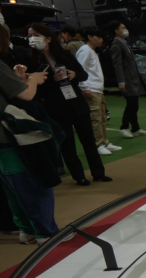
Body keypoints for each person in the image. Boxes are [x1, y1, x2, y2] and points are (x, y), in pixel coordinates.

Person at [28, 23, 109, 184]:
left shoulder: (64, 54)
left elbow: (83, 74)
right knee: (67, 144)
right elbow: (36, 88)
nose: (32, 39)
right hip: (55, 105)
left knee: (88, 140)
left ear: (48, 38)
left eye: (36, 35)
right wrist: (53, 79)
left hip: (76, 102)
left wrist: (74, 75)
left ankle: (98, 173)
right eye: (30, 36)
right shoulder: (31, 60)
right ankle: (79, 176)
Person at [0, 40, 59, 244]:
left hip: (4, 142)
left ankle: (28, 230)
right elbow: (25, 94)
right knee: (32, 184)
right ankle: (46, 232)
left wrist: (18, 79)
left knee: (13, 189)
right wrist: (33, 79)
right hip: (10, 136)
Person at [76, 26, 120, 156]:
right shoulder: (85, 50)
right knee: (95, 119)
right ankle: (98, 144)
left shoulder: (92, 51)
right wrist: (85, 87)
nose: (101, 40)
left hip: (98, 89)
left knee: (102, 117)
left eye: (102, 37)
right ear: (89, 37)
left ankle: (105, 142)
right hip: (91, 89)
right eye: (98, 37)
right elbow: (81, 69)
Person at [107, 21, 146, 140]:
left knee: (133, 104)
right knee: (132, 105)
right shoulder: (116, 45)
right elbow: (117, 65)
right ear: (116, 31)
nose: (126, 29)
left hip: (132, 79)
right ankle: (124, 127)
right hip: (127, 80)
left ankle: (135, 128)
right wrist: (121, 81)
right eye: (123, 27)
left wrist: (142, 66)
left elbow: (129, 62)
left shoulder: (124, 43)